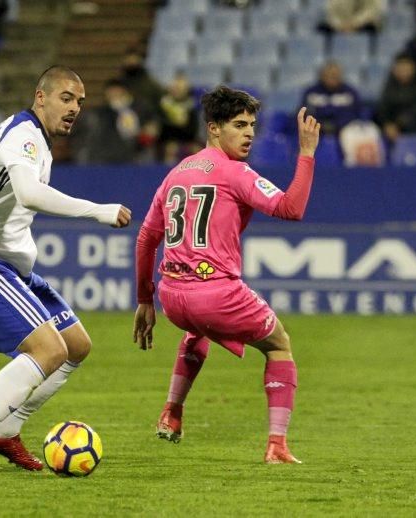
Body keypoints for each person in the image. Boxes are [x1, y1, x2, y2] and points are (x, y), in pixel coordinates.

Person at [0, 65, 131, 476]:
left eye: (80, 101)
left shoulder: (38, 142)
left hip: (11, 267)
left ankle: (5, 430)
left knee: (75, 345)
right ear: (40, 96)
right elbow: (28, 194)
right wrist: (98, 211)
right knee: (48, 350)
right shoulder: (22, 134)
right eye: (66, 98)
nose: (75, 108)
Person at [132, 85, 320, 464]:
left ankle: (172, 411)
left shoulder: (176, 173)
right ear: (214, 128)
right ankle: (277, 446)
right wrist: (306, 154)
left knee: (195, 331)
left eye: (252, 125)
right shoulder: (236, 172)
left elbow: (146, 239)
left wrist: (143, 300)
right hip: (216, 294)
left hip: (173, 297)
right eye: (239, 124)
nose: (249, 133)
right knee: (280, 345)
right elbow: (290, 208)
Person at [376, 53, 416, 143]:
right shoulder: (390, 86)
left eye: (406, 67)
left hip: (414, 126)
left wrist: (398, 124)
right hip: (392, 127)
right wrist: (387, 124)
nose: (403, 70)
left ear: (414, 68)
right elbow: (383, 108)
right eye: (400, 67)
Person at [300, 61, 362, 136]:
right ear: (321, 75)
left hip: (345, 132)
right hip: (316, 131)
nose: (331, 78)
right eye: (327, 75)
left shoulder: (350, 93)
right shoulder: (311, 92)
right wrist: (322, 125)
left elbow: (356, 115)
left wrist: (337, 125)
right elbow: (306, 114)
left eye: (334, 75)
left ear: (340, 76)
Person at [318, 0, 383, 34]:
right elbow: (331, 13)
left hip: (361, 26)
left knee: (371, 27)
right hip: (339, 27)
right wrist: (340, 25)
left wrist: (354, 24)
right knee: (322, 28)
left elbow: (371, 10)